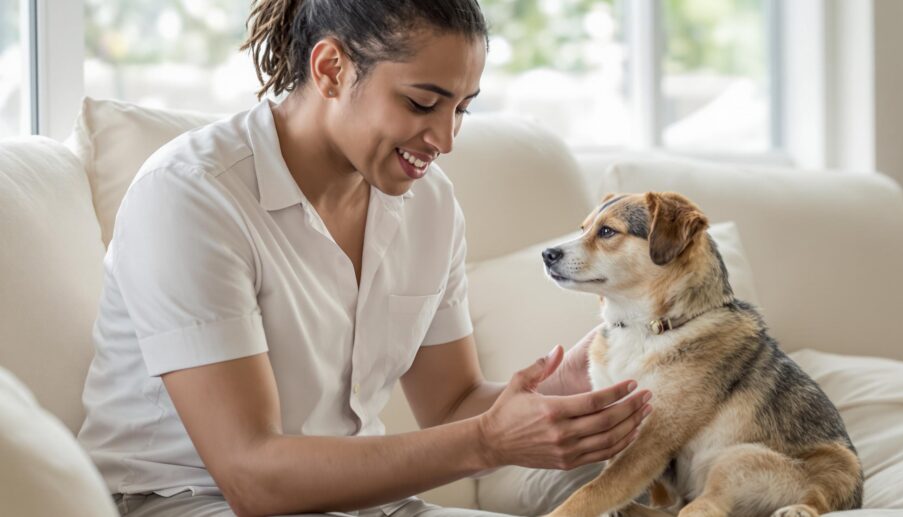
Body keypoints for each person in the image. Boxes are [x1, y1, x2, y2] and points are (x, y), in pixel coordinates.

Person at [77, 1, 654, 516]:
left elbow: (452, 405)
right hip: (185, 500)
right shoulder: (192, 193)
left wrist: (575, 380)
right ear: (331, 69)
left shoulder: (428, 202)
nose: (445, 139)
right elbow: (250, 479)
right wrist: (488, 441)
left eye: (461, 109)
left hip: (363, 505)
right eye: (422, 102)